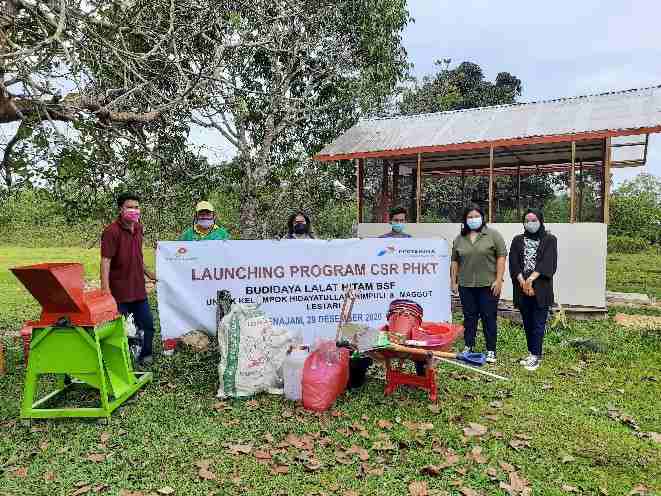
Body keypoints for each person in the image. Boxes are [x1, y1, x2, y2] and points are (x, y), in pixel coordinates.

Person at [101, 192, 157, 366]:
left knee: (147, 323)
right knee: (121, 329)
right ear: (121, 209)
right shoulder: (111, 231)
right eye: (130, 207)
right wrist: (105, 291)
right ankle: (121, 361)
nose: (134, 211)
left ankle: (145, 355)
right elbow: (105, 261)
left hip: (138, 288)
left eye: (136, 207)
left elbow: (137, 256)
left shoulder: (138, 228)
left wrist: (150, 275)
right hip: (119, 291)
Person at [451, 205, 507, 364]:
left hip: (488, 285)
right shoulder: (460, 238)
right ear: (465, 220)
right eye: (470, 217)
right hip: (466, 285)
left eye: (476, 216)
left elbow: (501, 258)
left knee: (488, 317)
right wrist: (453, 281)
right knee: (469, 317)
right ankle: (469, 345)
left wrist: (498, 280)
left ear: (482, 217)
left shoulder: (493, 235)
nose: (473, 219)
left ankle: (491, 350)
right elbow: (455, 261)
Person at [508, 209, 557, 371]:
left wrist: (530, 280)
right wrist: (523, 282)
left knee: (538, 323)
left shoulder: (550, 239)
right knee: (527, 323)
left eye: (534, 220)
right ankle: (531, 353)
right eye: (527, 220)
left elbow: (548, 263)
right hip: (522, 289)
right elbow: (514, 263)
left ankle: (536, 356)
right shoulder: (517, 240)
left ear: (541, 221)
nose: (530, 223)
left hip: (541, 289)